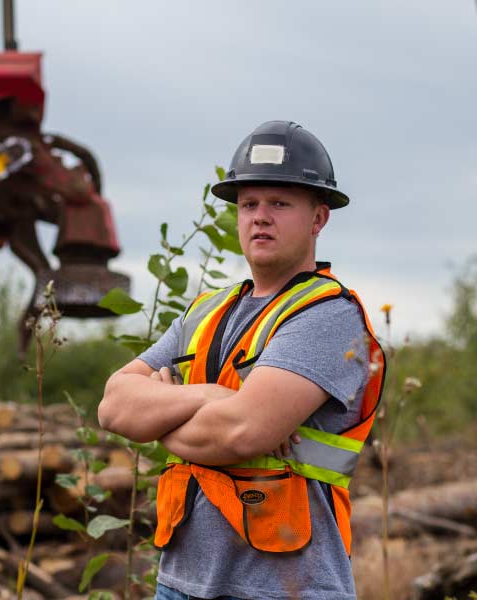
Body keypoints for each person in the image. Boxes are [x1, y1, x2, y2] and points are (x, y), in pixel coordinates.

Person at [98, 120, 385, 600]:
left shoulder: (329, 317)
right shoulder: (206, 310)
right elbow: (112, 406)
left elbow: (240, 432)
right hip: (178, 582)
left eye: (280, 203)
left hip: (285, 588)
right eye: (249, 204)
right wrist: (212, 396)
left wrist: (163, 412)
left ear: (318, 219)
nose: (260, 217)